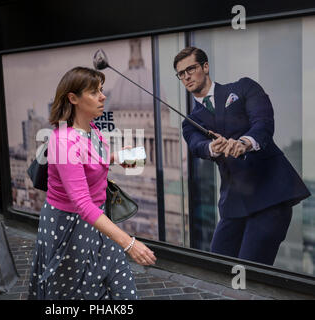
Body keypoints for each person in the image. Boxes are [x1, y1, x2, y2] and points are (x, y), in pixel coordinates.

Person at [28, 66, 156, 300]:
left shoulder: (91, 129)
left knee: (123, 289)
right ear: (73, 98)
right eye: (94, 92)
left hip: (98, 222)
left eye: (101, 90)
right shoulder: (64, 141)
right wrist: (129, 243)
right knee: (75, 295)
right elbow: (81, 203)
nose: (103, 96)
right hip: (69, 228)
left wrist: (115, 158)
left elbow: (87, 160)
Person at [174, 47, 311, 265]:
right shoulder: (190, 122)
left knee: (250, 272)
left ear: (205, 67)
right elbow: (197, 146)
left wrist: (244, 143)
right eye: (181, 73)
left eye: (191, 68)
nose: (187, 76)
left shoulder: (243, 87)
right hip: (234, 203)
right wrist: (213, 147)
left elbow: (263, 123)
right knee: (216, 268)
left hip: (270, 196)